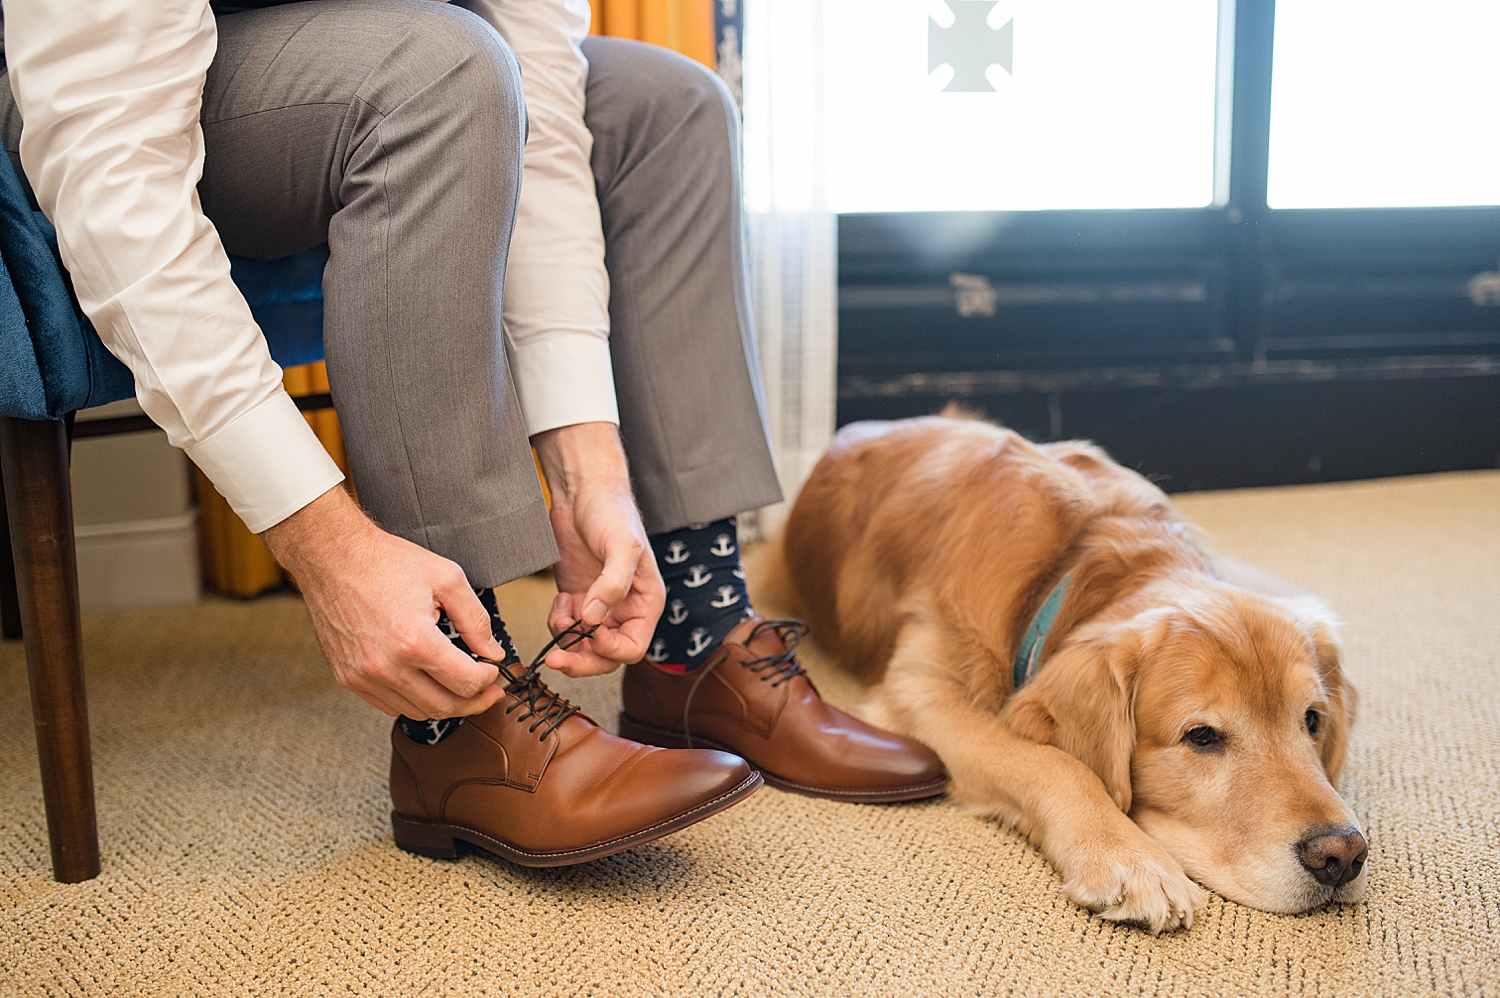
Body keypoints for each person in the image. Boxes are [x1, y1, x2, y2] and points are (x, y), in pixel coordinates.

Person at [3, 0, 946, 868]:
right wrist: (321, 543)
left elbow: (540, 117)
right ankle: (460, 719)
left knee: (666, 104)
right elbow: (110, 160)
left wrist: (588, 468)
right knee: (439, 66)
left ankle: (690, 644)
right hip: (129, 101)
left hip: (394, 62)